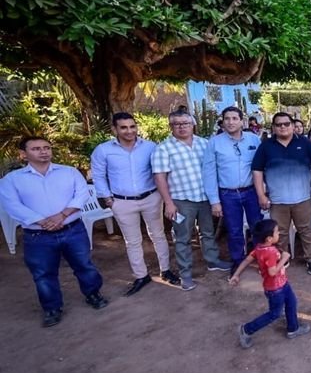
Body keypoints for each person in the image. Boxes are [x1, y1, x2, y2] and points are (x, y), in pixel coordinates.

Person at [0, 136, 109, 327]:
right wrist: (42, 221)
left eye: (46, 147)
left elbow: (81, 193)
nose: (43, 151)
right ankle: (52, 308)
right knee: (43, 273)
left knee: (84, 265)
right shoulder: (12, 180)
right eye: (36, 149)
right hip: (37, 235)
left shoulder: (69, 172)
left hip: (72, 230)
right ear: (23, 154)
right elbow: (12, 205)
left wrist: (61, 215)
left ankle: (93, 294)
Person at [91, 112, 179, 296]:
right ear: (114, 129)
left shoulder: (150, 147)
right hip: (122, 201)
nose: (129, 131)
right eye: (123, 127)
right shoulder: (103, 150)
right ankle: (141, 276)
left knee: (158, 235)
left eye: (132, 126)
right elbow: (98, 176)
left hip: (151, 197)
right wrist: (108, 199)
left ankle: (165, 270)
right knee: (132, 241)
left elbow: (160, 171)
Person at [153, 111, 232, 291]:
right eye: (177, 124)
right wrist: (168, 203)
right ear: (171, 126)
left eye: (186, 123)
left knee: (208, 232)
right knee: (182, 238)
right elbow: (159, 177)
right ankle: (186, 274)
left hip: (204, 198)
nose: (182, 127)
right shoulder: (163, 148)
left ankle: (212, 261)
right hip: (181, 201)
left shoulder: (204, 144)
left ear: (192, 124)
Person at [252, 112, 311, 276]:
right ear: (273, 127)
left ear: (292, 125)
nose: (283, 127)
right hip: (277, 201)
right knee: (279, 233)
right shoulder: (266, 146)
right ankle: (281, 260)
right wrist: (261, 195)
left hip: (303, 198)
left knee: (306, 231)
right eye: (279, 124)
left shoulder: (305, 143)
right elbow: (257, 170)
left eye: (286, 124)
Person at [230, 219, 311, 348]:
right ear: (269, 238)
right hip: (276, 289)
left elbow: (246, 261)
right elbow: (272, 272)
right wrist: (284, 259)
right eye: (277, 232)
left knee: (291, 302)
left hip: (281, 285)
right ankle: (246, 329)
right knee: (274, 314)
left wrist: (236, 274)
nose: (279, 233)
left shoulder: (259, 248)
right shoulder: (270, 252)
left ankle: (293, 329)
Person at [202, 107, 263, 275]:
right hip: (228, 194)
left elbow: (260, 167)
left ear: (242, 121)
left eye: (235, 118)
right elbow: (209, 172)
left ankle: (262, 259)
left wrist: (263, 192)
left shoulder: (253, 139)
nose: (230, 122)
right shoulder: (215, 142)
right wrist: (214, 201)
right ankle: (238, 260)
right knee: (234, 230)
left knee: (257, 227)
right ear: (222, 122)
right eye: (227, 118)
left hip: (251, 192)